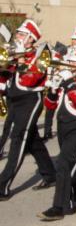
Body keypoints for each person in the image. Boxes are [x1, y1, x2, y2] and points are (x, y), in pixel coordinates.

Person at [37, 46, 76, 221]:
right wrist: (54, 90)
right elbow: (49, 106)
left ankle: (61, 206)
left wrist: (68, 81)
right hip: (63, 126)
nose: (69, 65)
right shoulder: (68, 80)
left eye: (74, 62)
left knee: (65, 164)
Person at [0, 20, 56, 201]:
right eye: (18, 34)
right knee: (32, 141)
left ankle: (3, 186)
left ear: (31, 38)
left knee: (18, 139)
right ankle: (50, 175)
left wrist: (21, 61)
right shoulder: (15, 53)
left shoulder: (41, 55)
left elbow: (30, 79)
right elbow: (6, 74)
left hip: (30, 100)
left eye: (22, 34)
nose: (17, 36)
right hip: (16, 99)